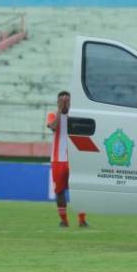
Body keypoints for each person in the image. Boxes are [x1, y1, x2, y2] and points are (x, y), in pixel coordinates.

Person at [47, 91, 88, 228]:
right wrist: (60, 110)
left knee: (78, 189)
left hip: (74, 159)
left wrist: (70, 109)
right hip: (58, 160)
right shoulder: (52, 115)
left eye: (67, 101)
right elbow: (53, 127)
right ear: (57, 103)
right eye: (62, 101)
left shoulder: (76, 116)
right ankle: (64, 220)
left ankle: (82, 220)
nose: (65, 104)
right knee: (59, 191)